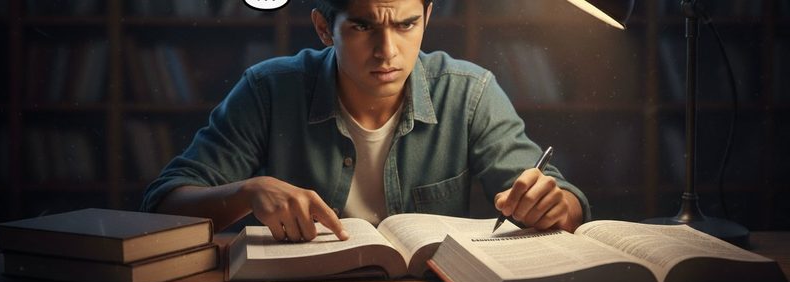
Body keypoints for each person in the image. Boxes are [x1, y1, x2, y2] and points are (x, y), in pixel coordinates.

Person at [141, 0, 589, 242]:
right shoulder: (268, 89)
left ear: (428, 17)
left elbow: (563, 200)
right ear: (323, 27)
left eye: (407, 25)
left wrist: (555, 205)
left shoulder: (469, 92)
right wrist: (247, 191)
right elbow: (161, 208)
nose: (387, 51)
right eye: (362, 28)